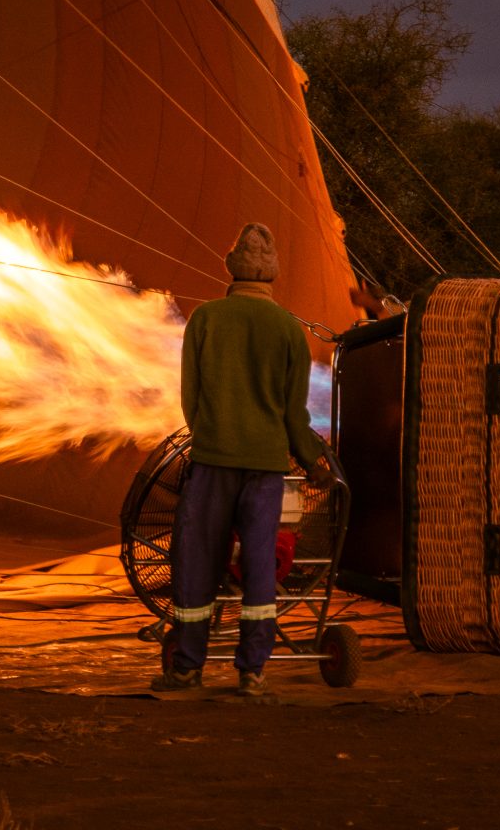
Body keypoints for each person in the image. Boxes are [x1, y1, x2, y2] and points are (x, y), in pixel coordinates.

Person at [154, 223, 331, 697]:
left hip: (212, 462)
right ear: (271, 276)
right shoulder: (290, 330)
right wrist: (313, 460)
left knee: (196, 561)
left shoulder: (206, 320)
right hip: (266, 469)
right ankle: (252, 672)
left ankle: (188, 667)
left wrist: (213, 436)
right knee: (258, 564)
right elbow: (296, 414)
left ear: (232, 270)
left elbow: (191, 398)